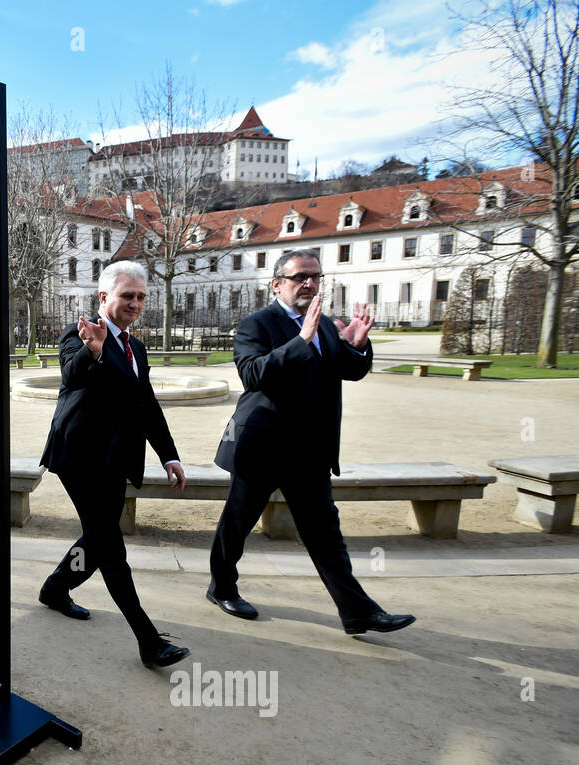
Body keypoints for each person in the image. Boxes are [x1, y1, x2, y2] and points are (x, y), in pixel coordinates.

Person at [208, 248, 415, 636]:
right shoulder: (257, 324)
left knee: (325, 535)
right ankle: (221, 587)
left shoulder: (324, 326)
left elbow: (349, 372)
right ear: (277, 284)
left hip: (311, 452)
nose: (309, 283)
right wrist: (301, 340)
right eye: (300, 276)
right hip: (262, 447)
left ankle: (357, 612)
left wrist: (355, 344)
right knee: (237, 525)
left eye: (316, 277)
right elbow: (253, 375)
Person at [39, 261, 190, 670]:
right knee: (110, 545)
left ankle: (55, 589)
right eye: (128, 296)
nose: (136, 303)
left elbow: (146, 405)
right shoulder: (80, 333)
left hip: (115, 459)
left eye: (141, 296)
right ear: (104, 297)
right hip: (79, 456)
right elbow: (71, 376)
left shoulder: (136, 347)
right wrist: (93, 349)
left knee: (96, 538)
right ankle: (148, 639)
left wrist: (169, 455)